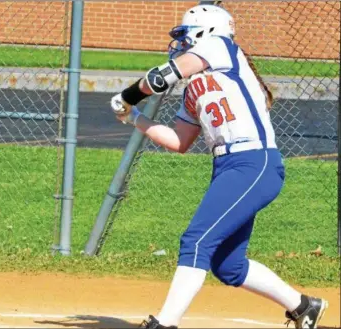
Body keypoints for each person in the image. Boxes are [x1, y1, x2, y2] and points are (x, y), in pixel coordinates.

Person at [110, 4, 328, 329]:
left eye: (186, 36)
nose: (182, 43)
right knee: (229, 266)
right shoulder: (194, 88)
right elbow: (178, 141)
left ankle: (165, 323)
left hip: (254, 162)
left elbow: (162, 76)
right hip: (227, 166)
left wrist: (129, 95)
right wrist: (134, 118)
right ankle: (303, 306)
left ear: (206, 30)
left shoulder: (220, 46)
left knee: (196, 241)